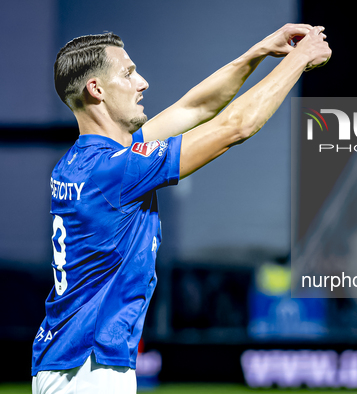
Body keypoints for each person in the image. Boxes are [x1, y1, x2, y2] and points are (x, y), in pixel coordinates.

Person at [32, 24, 331, 393]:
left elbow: (197, 106)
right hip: (88, 368)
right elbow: (235, 126)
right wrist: (300, 59)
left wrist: (259, 51)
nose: (142, 82)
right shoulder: (115, 170)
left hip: (73, 361)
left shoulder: (87, 162)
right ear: (97, 90)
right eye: (127, 73)